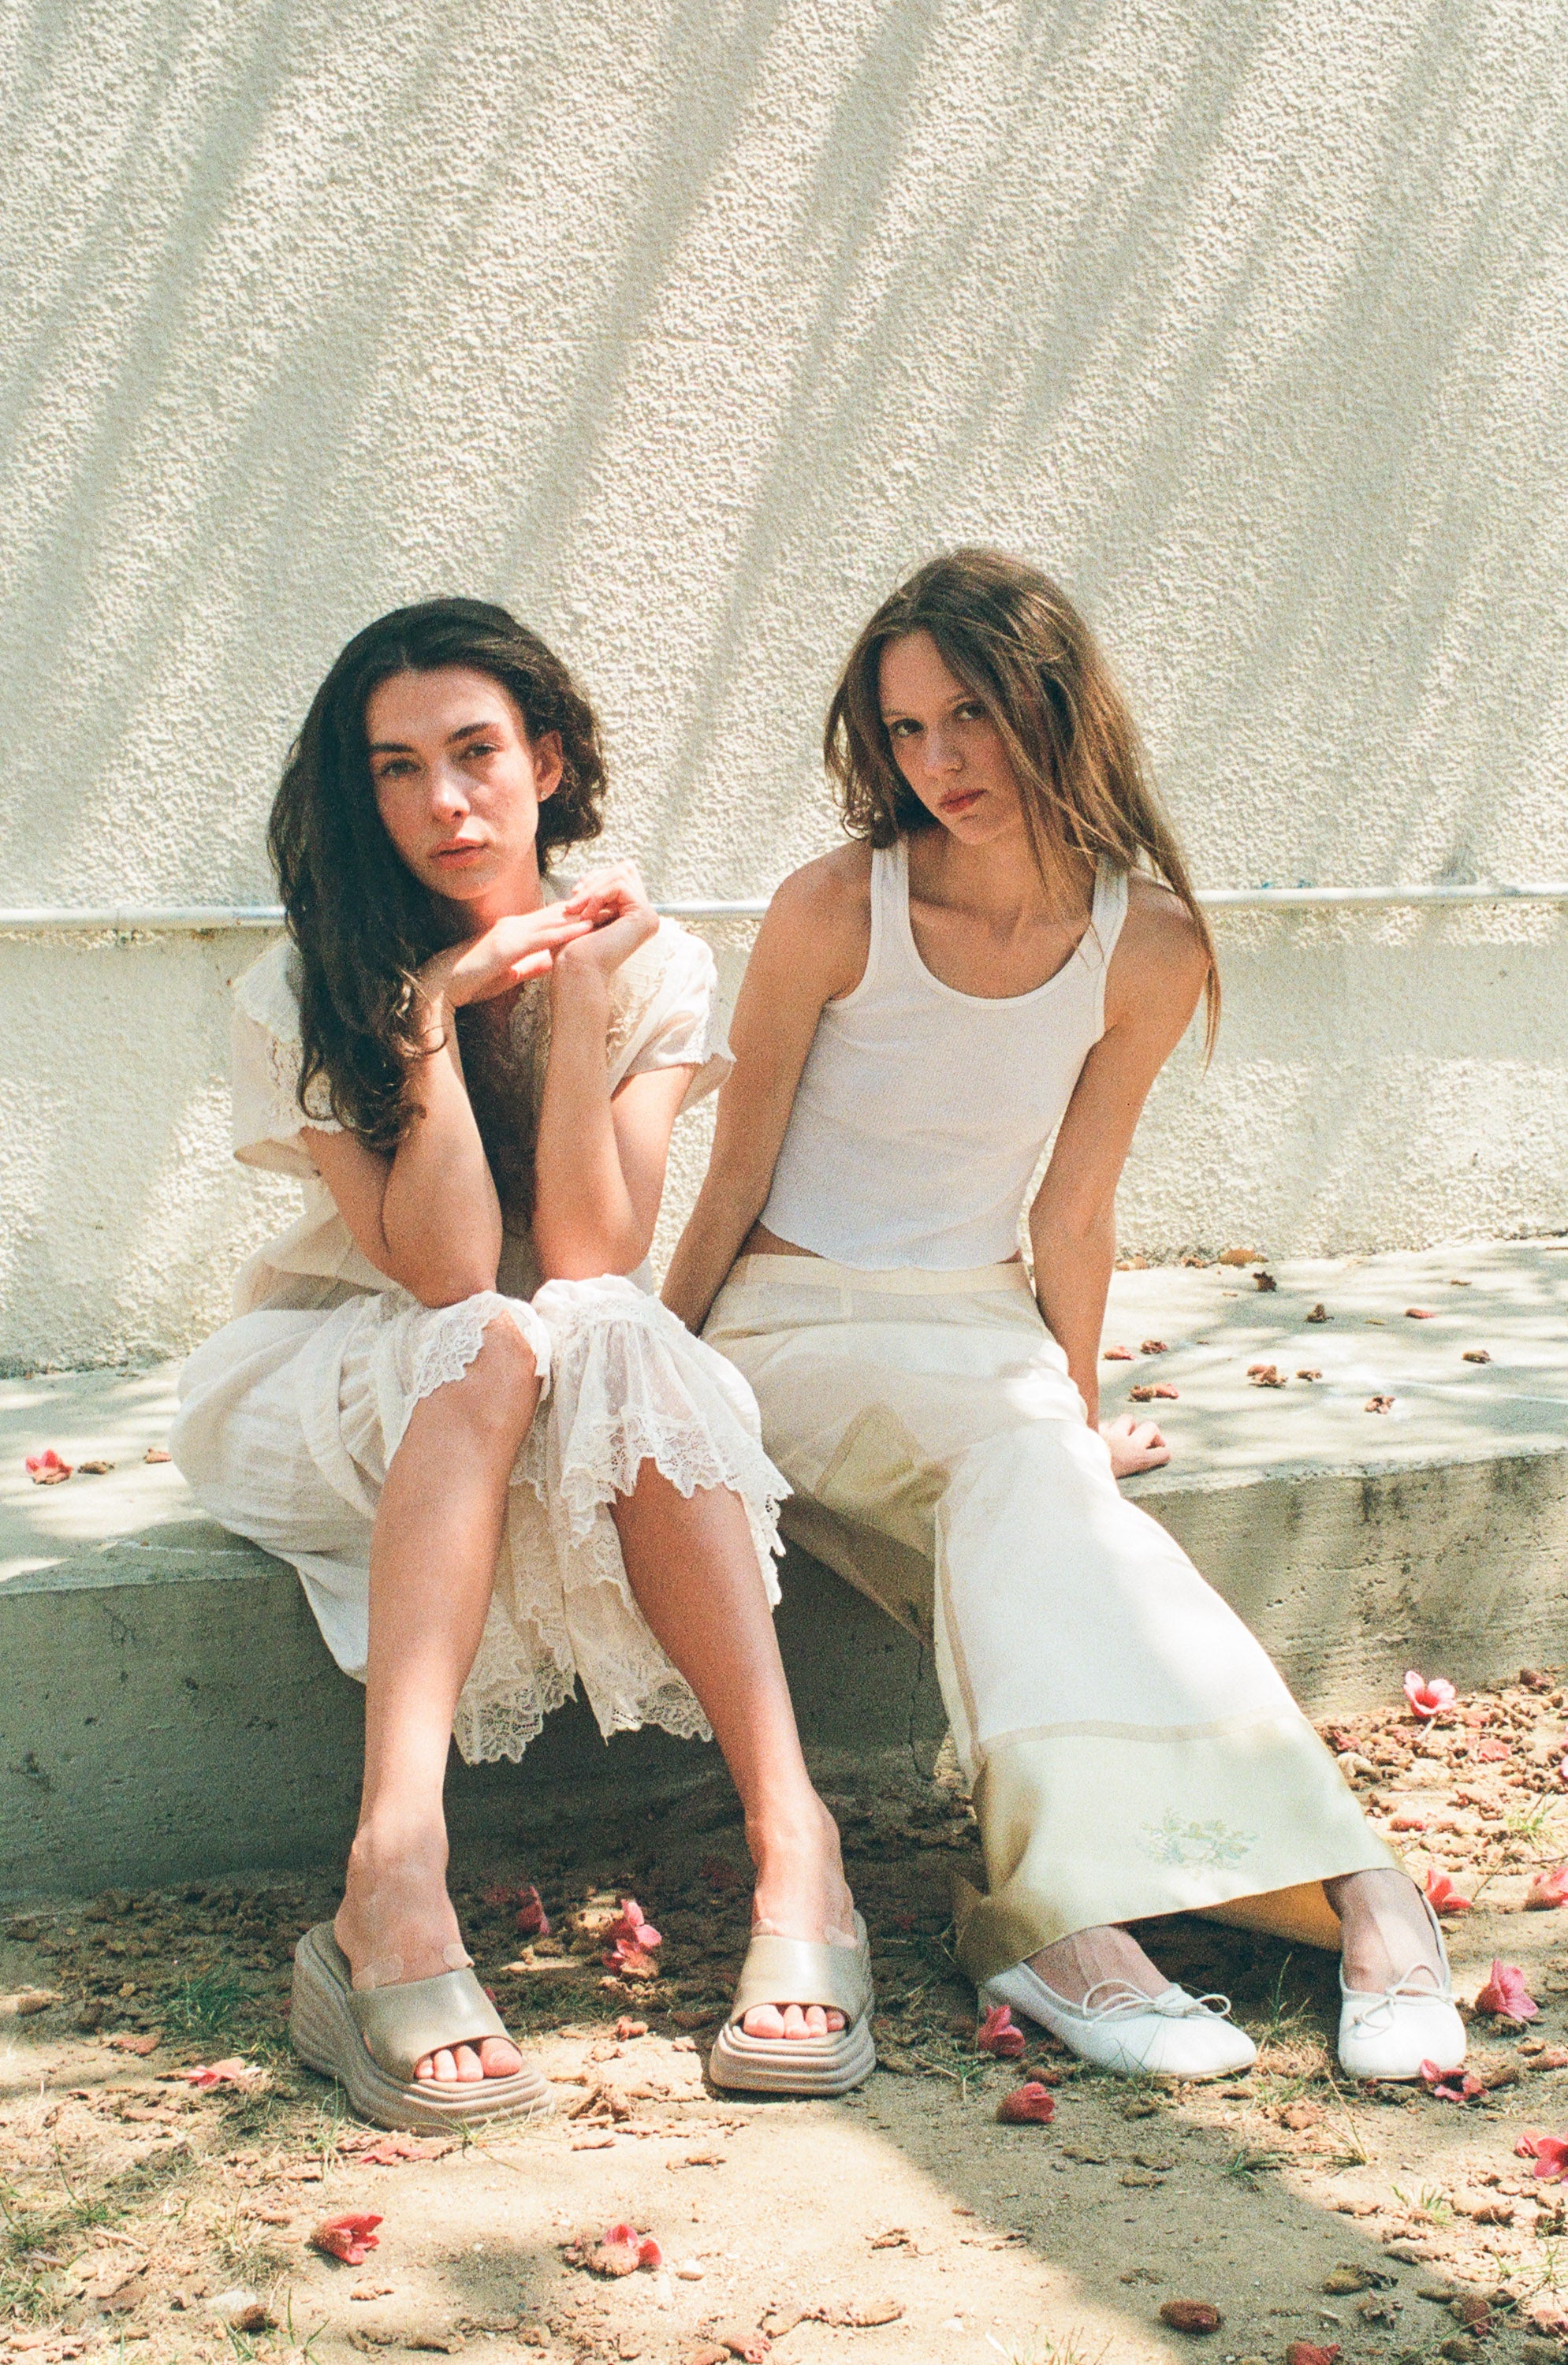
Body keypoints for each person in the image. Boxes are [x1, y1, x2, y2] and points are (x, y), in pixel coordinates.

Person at [663, 549, 1466, 2083]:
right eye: (904, 729)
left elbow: (1071, 1214)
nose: (937, 762)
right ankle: (1353, 1892)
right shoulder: (834, 907)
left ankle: (1096, 1919)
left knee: (1041, 1474)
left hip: (982, 1331)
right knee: (1024, 1463)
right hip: (791, 1324)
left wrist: (1073, 1413)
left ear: (1051, 702)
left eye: (967, 714)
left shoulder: (1147, 942)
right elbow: (732, 1180)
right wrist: (654, 1375)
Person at [171, 598, 872, 2128]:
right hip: (334, 1369)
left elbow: (590, 1250)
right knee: (489, 1331)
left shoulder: (655, 967)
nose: (445, 800)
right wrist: (429, 1015)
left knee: (599, 1322)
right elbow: (435, 1271)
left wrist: (576, 996)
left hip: (557, 1366)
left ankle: (795, 1847)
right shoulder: (303, 987)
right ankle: (392, 1874)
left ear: (545, 761)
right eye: (398, 768)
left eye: (476, 752)